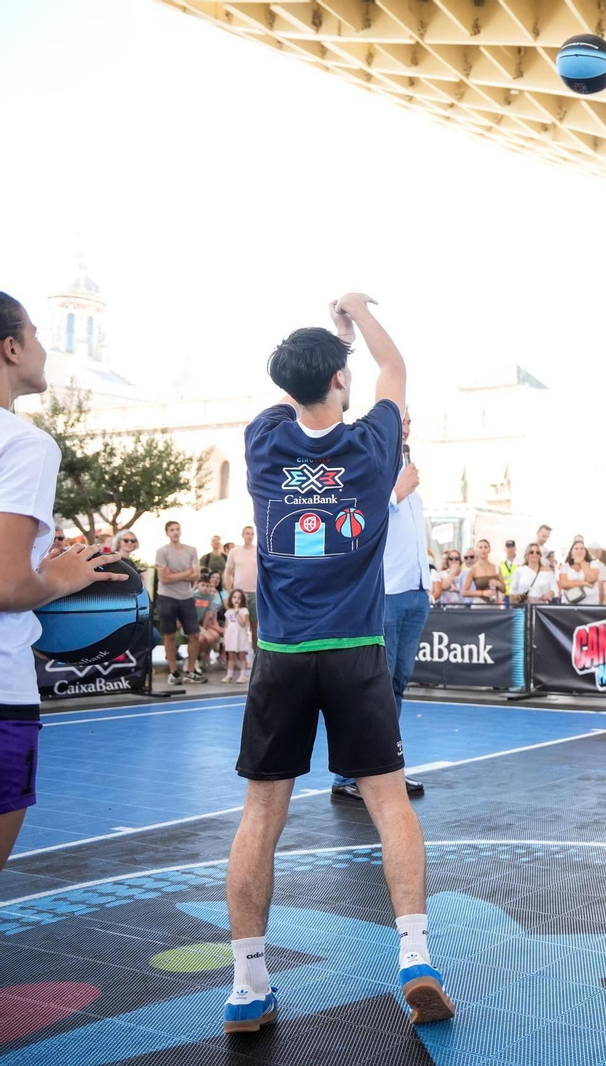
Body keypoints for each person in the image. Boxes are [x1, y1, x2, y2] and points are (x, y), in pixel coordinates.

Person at [226, 292, 452, 1035]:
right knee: (389, 807)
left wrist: (325, 346)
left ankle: (247, 986)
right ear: (340, 379)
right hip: (354, 653)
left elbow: (298, 392)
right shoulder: (372, 446)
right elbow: (396, 367)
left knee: (262, 815)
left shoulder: (263, 441)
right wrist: (353, 315)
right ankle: (415, 959)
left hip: (282, 657)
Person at [0, 292, 130, 872]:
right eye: (34, 333)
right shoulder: (23, 443)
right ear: (11, 347)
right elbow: (8, 586)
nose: (43, 346)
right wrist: (59, 578)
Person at [333, 408, 429, 803]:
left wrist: (428, 580)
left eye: (409, 419)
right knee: (374, 687)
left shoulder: (408, 474)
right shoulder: (369, 465)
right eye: (401, 417)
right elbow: (350, 519)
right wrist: (396, 493)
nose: (407, 424)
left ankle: (387, 769)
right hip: (385, 592)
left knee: (397, 685)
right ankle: (347, 775)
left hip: (416, 591)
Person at [156, 521, 213, 684]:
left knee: (194, 634)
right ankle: (173, 672)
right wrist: (186, 573)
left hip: (187, 598)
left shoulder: (191, 550)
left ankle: (191, 670)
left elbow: (196, 575)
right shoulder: (162, 552)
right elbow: (164, 579)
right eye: (171, 530)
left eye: (177, 529)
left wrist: (175, 574)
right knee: (170, 635)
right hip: (166, 597)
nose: (175, 532)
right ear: (167, 533)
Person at [223, 525, 259, 649]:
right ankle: (236, 654)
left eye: (252, 534)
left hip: (255, 592)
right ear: (243, 535)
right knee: (236, 623)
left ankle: (256, 653)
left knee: (255, 625)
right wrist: (230, 591)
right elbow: (228, 573)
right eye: (247, 533)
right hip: (239, 594)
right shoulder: (234, 551)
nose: (250, 536)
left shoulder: (258, 550)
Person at [222, 589, 252, 683]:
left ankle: (243, 675)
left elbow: (243, 623)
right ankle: (229, 675)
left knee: (242, 656)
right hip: (231, 637)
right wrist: (225, 638)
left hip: (240, 637)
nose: (236, 600)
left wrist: (237, 613)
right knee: (231, 657)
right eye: (234, 597)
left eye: (239, 598)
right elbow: (226, 625)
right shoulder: (228, 612)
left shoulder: (244, 611)